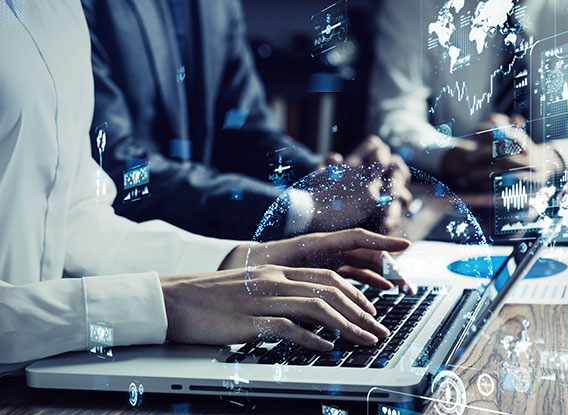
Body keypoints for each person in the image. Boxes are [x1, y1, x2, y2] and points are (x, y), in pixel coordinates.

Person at [0, 0, 411, 375]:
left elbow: (72, 217)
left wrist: (241, 262)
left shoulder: (54, 10)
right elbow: (126, 168)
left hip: (41, 379)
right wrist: (164, 303)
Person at [82, 0, 412, 239]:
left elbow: (244, 130)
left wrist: (327, 179)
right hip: (123, 273)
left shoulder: (219, 7)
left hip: (214, 261)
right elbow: (114, 171)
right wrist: (304, 207)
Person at [368, 0, 568, 191]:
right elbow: (394, 112)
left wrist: (554, 158)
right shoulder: (416, 5)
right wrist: (453, 155)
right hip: (461, 192)